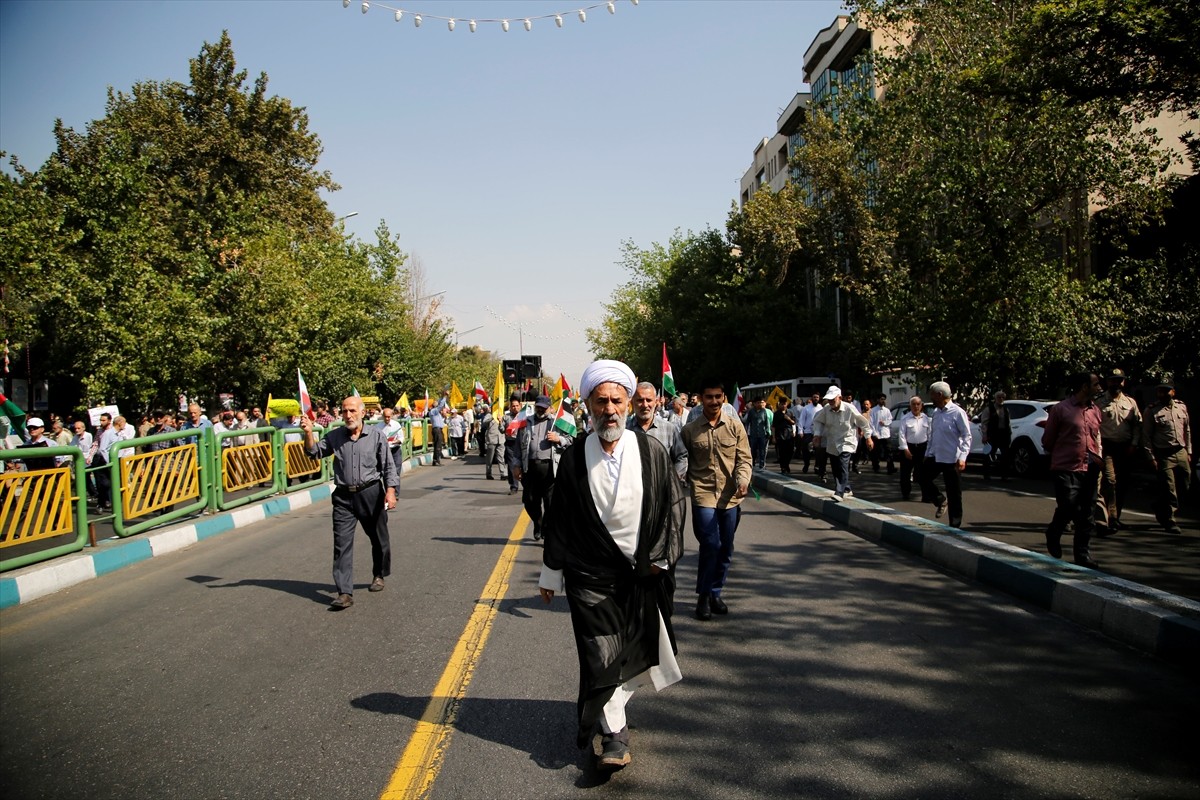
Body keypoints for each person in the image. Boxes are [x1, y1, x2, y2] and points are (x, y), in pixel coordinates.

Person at [539, 359, 685, 770]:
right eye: (600, 401)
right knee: (599, 653)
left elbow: (674, 506)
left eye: (616, 400)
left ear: (628, 402)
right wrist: (551, 572)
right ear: (587, 404)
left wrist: (661, 557)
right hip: (590, 576)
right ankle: (613, 735)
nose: (610, 409)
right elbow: (560, 521)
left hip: (642, 573)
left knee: (638, 648)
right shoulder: (572, 460)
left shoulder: (651, 451)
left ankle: (614, 710)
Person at [301, 396, 399, 610]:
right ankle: (344, 592)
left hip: (371, 494)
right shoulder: (335, 436)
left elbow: (389, 467)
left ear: (362, 413)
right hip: (344, 497)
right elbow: (313, 452)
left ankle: (379, 573)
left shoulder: (376, 436)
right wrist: (308, 433)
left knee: (378, 538)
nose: (348, 415)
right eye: (345, 411)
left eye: (352, 411)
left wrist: (390, 492)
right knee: (341, 544)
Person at [681, 378, 752, 621]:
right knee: (710, 544)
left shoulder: (735, 426)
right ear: (701, 399)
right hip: (703, 494)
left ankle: (715, 592)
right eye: (709, 397)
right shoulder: (689, 431)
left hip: (730, 496)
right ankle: (703, 596)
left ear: (723, 398)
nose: (714, 401)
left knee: (726, 547)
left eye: (718, 397)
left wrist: (743, 480)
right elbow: (682, 459)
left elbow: (744, 458)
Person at [1041, 373, 1103, 567]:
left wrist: (1099, 459)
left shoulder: (1095, 411)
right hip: (1066, 467)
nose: (1099, 388)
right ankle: (1054, 532)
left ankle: (1082, 555)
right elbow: (1048, 441)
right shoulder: (1061, 409)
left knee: (1087, 513)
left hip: (1090, 467)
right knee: (1068, 506)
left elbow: (1096, 438)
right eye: (1096, 384)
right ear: (1084, 387)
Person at [517, 395, 574, 540]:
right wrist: (516, 465)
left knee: (550, 504)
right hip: (530, 468)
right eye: (538, 406)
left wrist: (558, 439)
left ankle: (547, 530)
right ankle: (538, 523)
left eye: (544, 407)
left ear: (549, 408)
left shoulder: (557, 422)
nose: (541, 409)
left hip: (550, 468)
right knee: (529, 501)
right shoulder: (526, 421)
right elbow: (518, 445)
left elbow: (570, 440)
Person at [1095, 369, 1141, 533]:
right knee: (1110, 480)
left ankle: (1116, 516)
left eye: (1119, 380)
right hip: (1106, 446)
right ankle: (1110, 518)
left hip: (1125, 447)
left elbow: (1137, 425)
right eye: (1113, 380)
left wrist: (1134, 444)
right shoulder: (1099, 402)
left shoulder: (1130, 402)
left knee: (1122, 484)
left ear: (1123, 382)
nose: (1116, 383)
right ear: (1107, 382)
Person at [1143, 383, 1191, 535]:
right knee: (1169, 487)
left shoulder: (1181, 407)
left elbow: (1187, 430)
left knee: (1185, 483)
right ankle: (1169, 520)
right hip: (1164, 454)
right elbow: (1146, 436)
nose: (1162, 394)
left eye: (1166, 391)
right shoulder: (1152, 410)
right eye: (1159, 391)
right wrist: (1150, 457)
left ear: (1173, 392)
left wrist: (1188, 451)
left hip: (1181, 451)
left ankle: (1159, 505)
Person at [812, 386, 872, 502]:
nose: (830, 402)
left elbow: (863, 423)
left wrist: (868, 437)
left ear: (839, 398)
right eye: (828, 400)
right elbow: (818, 421)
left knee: (843, 464)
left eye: (832, 399)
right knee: (835, 467)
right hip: (833, 441)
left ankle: (839, 492)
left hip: (847, 441)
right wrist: (817, 435)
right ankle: (847, 489)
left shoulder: (850, 409)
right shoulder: (826, 409)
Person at [925, 381, 972, 528]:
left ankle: (955, 525)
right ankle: (940, 500)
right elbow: (933, 435)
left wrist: (963, 457)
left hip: (952, 459)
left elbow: (966, 436)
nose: (931, 398)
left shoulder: (957, 412)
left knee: (954, 493)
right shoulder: (936, 413)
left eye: (932, 395)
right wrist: (928, 453)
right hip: (936, 456)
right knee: (921, 477)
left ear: (939, 395)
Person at [628, 381, 689, 482]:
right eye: (640, 400)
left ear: (656, 402)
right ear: (632, 401)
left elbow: (682, 456)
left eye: (649, 400)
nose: (645, 405)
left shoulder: (669, 429)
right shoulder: (625, 429)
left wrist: (673, 481)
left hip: (662, 491)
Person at [896, 396, 932, 501]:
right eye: (913, 404)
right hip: (909, 447)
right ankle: (906, 494)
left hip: (922, 448)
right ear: (910, 406)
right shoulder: (905, 418)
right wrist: (905, 449)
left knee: (924, 473)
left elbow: (929, 436)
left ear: (921, 406)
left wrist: (928, 451)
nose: (916, 406)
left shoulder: (926, 418)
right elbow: (902, 435)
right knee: (905, 474)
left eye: (918, 404)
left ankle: (926, 496)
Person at [978, 390, 1012, 480]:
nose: (1001, 399)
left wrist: (1009, 435)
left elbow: (1008, 423)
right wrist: (984, 435)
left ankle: (1004, 476)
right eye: (999, 397)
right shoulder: (989, 409)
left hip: (1003, 435)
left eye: (1002, 397)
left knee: (1005, 456)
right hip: (992, 435)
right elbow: (984, 423)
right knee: (988, 454)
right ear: (995, 398)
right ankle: (987, 475)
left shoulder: (1006, 409)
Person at [90, 413, 119, 511]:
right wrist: (90, 456)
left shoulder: (113, 431)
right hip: (99, 458)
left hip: (109, 458)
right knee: (100, 482)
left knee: (110, 481)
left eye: (103, 420)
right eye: (100, 420)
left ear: (109, 421)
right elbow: (96, 444)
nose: (101, 422)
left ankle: (110, 500)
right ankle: (101, 502)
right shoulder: (99, 431)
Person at [501, 396, 525, 496]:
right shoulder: (506, 417)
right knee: (512, 465)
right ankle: (514, 486)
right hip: (511, 444)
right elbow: (502, 430)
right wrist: (500, 422)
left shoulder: (525, 416)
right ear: (510, 407)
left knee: (525, 465)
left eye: (517, 406)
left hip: (522, 443)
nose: (515, 407)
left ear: (520, 406)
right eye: (513, 406)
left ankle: (526, 485)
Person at [478, 403, 506, 481]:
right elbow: (484, 422)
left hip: (500, 440)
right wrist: (492, 417)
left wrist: (500, 420)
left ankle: (503, 474)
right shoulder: (489, 415)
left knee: (501, 458)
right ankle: (488, 473)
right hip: (491, 440)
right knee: (489, 459)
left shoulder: (502, 415)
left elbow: (504, 427)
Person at [868, 395, 895, 474]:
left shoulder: (887, 410)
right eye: (881, 399)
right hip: (877, 434)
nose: (883, 401)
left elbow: (890, 420)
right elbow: (871, 423)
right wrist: (874, 433)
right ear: (878, 400)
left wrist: (885, 423)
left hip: (886, 434)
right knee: (876, 452)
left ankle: (890, 468)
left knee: (889, 451)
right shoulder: (873, 410)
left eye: (884, 399)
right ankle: (876, 467)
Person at [377, 406, 406, 479]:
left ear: (392, 416)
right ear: (383, 416)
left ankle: (396, 489)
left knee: (396, 474)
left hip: (395, 450)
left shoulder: (396, 425)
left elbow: (401, 438)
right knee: (386, 473)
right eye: (385, 417)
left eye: (388, 417)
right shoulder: (378, 426)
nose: (387, 419)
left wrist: (395, 441)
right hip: (384, 451)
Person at [743, 396, 771, 470]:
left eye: (761, 402)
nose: (760, 404)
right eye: (758, 403)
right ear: (754, 403)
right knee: (753, 449)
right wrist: (745, 431)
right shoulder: (751, 411)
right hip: (753, 434)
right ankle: (752, 462)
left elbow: (766, 422)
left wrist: (768, 431)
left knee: (762, 449)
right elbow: (748, 422)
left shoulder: (764, 411)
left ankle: (762, 464)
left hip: (762, 433)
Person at [797, 393, 821, 475]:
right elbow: (801, 420)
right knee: (806, 450)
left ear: (819, 398)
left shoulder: (821, 408)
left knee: (818, 450)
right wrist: (800, 431)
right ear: (812, 398)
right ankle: (806, 464)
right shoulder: (806, 408)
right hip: (807, 432)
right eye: (814, 397)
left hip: (818, 432)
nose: (816, 399)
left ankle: (817, 466)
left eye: (817, 397)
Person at [772, 398, 796, 474]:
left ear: (786, 404)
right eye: (781, 404)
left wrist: (788, 419)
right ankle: (783, 467)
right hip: (780, 434)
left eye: (784, 404)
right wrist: (773, 437)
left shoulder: (790, 412)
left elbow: (794, 422)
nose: (783, 406)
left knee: (790, 451)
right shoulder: (776, 414)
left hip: (789, 434)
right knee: (782, 452)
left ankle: (787, 464)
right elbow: (773, 426)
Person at [428, 388, 449, 465]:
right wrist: (445, 397)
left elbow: (440, 403)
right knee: (437, 445)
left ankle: (436, 460)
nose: (437, 402)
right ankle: (436, 460)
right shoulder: (434, 411)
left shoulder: (436, 412)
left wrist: (443, 395)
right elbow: (440, 405)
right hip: (436, 429)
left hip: (438, 429)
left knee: (438, 445)